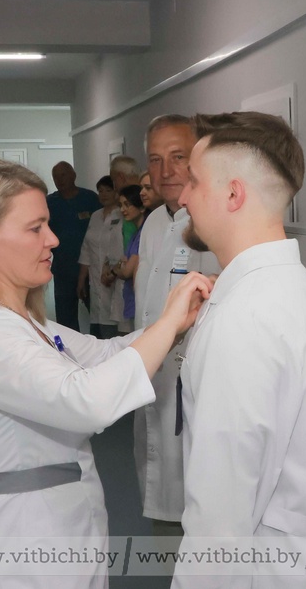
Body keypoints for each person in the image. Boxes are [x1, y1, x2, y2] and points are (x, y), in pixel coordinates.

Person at [0, 157, 212, 588]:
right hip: (16, 547)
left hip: (53, 529)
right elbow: (87, 401)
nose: (53, 239)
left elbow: (105, 353)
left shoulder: (22, 322)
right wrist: (167, 325)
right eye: (35, 228)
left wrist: (177, 320)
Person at [172, 113, 306, 586]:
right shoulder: (298, 287)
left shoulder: (245, 317)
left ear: (233, 195)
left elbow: (220, 517)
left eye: (193, 181)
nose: (181, 197)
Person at [133, 114, 222, 544]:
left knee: (205, 522)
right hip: (153, 387)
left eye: (178, 157)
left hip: (197, 396)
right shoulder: (153, 223)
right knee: (165, 520)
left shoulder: (212, 222)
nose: (165, 171)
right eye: (155, 159)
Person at [46, 161, 101, 331]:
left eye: (63, 175)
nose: (60, 180)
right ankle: (69, 348)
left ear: (73, 175)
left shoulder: (90, 199)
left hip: (92, 268)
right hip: (63, 269)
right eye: (56, 177)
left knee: (99, 316)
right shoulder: (50, 203)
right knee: (65, 320)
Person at [78, 175, 123, 339]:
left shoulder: (122, 214)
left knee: (114, 324)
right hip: (95, 277)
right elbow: (86, 249)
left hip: (114, 276)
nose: (103, 195)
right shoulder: (95, 216)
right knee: (97, 324)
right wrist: (81, 280)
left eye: (108, 190)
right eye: (100, 191)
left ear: (116, 192)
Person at [106, 184, 147, 331]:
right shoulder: (136, 233)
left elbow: (127, 271)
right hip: (131, 298)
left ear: (141, 207)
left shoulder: (144, 233)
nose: (123, 209)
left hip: (140, 300)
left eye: (127, 205)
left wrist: (118, 269)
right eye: (121, 205)